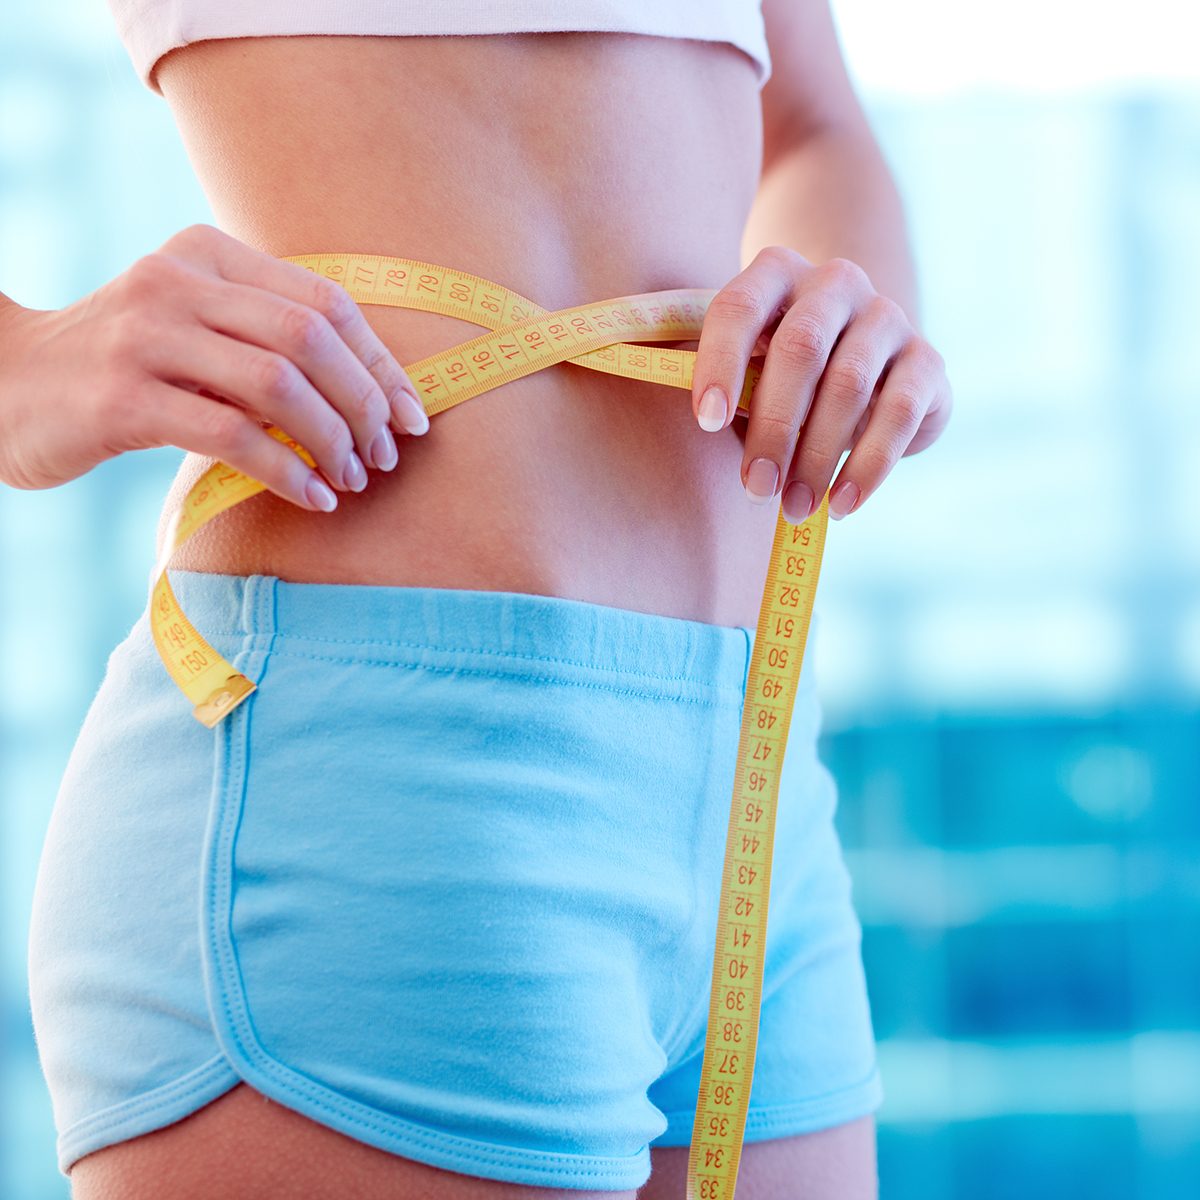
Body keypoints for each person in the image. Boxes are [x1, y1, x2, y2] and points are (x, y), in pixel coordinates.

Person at [2, 2, 952, 1196]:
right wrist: (22, 368)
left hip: (751, 779)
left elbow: (812, 127)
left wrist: (851, 330)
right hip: (374, 781)